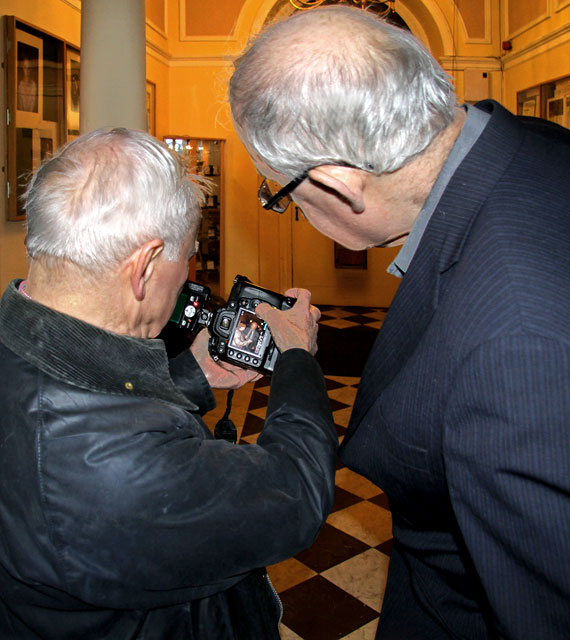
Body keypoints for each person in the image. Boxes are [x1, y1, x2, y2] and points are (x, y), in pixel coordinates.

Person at [229, 6, 570, 639]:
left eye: (282, 193)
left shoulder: (518, 352)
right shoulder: (538, 148)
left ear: (340, 182)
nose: (289, 209)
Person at [0, 128, 338, 639]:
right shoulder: (113, 465)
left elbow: (100, 402)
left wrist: (192, 376)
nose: (188, 273)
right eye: (188, 254)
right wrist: (295, 357)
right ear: (145, 266)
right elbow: (295, 494)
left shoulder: (21, 346)